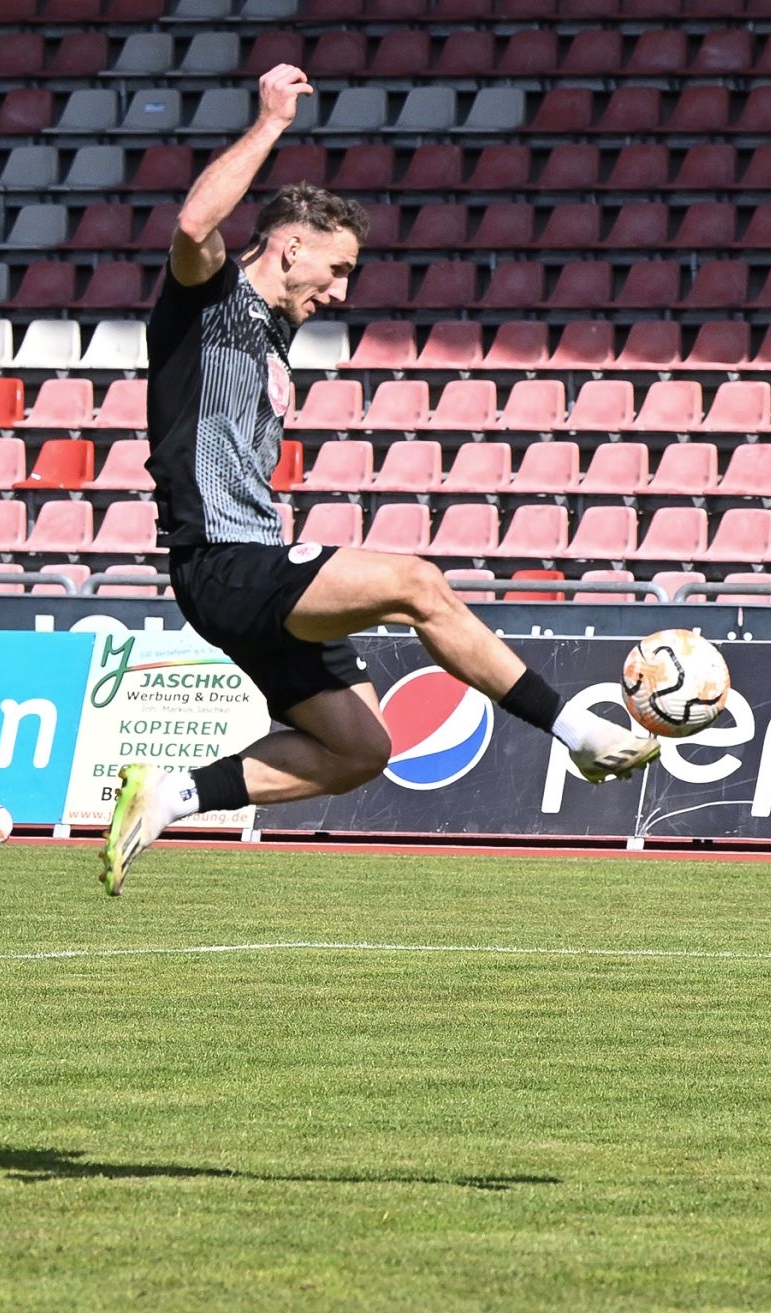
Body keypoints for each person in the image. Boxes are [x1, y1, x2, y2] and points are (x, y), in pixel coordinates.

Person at [98, 66, 659, 894]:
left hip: (248, 567)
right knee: (416, 585)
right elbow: (193, 222)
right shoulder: (207, 301)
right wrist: (270, 124)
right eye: (337, 269)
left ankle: (170, 793)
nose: (342, 290)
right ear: (290, 247)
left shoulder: (273, 336)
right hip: (223, 562)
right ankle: (575, 727)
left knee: (359, 749)